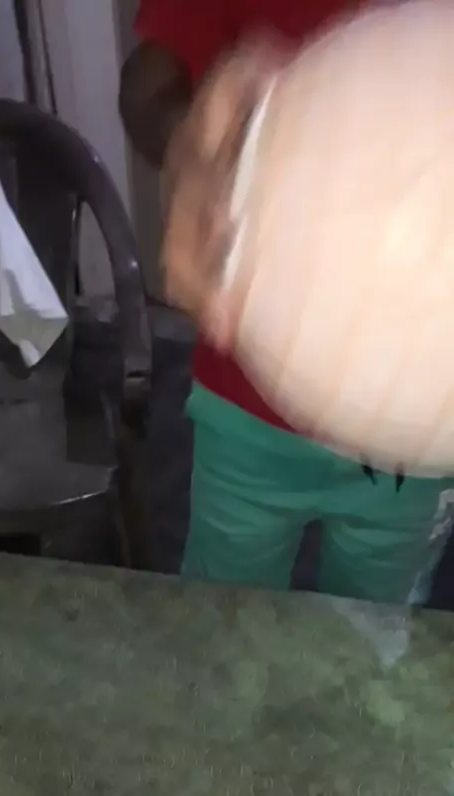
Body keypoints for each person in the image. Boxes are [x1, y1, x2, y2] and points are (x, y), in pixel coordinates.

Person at [119, 0, 449, 604]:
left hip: (418, 434)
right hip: (246, 395)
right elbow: (149, 81)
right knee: (226, 613)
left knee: (377, 631)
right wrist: (194, 144)